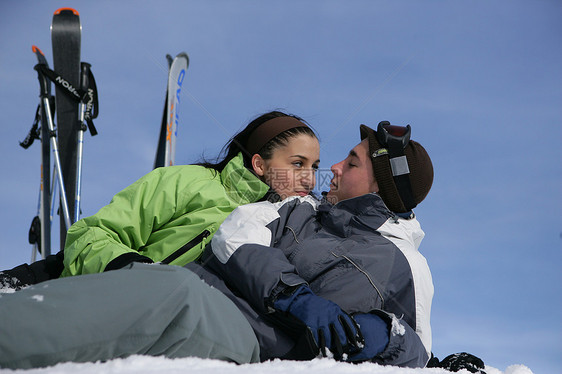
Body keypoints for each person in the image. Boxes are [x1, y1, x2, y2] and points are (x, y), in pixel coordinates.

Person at [185, 121, 435, 367]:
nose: (335, 167)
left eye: (351, 163)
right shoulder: (305, 208)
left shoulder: (408, 264)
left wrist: (381, 334)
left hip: (236, 343)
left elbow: (419, 351)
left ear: (382, 185)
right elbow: (235, 235)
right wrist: (291, 294)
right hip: (193, 296)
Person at [0, 110, 320, 290]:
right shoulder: (187, 182)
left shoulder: (299, 228)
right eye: (297, 163)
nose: (309, 177)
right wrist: (137, 271)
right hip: (86, 293)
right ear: (259, 164)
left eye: (314, 167)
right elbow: (94, 235)